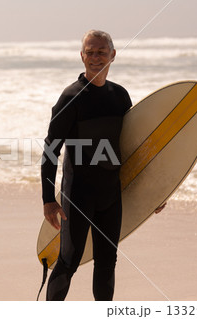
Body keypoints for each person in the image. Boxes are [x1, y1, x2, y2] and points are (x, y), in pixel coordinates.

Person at [41, 29, 165, 301]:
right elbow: (51, 149)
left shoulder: (119, 96)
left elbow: (133, 149)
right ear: (82, 56)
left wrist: (153, 193)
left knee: (108, 261)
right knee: (69, 260)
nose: (95, 57)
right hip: (79, 194)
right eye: (90, 52)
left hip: (111, 194)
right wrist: (48, 200)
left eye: (101, 51)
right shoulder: (70, 97)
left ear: (113, 55)